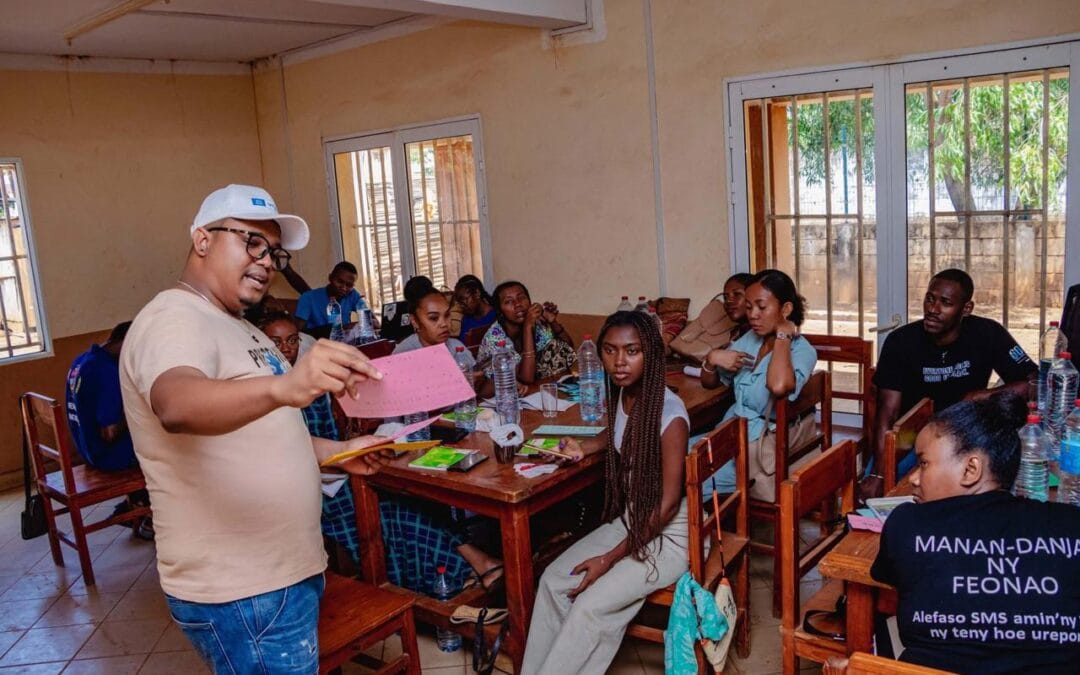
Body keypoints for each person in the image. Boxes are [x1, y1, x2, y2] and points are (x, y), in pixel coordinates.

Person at [120, 184, 393, 674]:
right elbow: (176, 404)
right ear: (202, 240)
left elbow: (266, 434)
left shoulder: (240, 326)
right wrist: (286, 386)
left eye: (273, 251)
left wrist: (341, 449)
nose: (266, 261)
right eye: (251, 242)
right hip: (243, 589)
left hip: (281, 575)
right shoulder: (173, 317)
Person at [258, 311, 503, 595]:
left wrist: (350, 446)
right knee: (398, 509)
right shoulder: (264, 394)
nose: (286, 349)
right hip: (313, 492)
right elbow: (279, 456)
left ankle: (462, 569)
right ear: (260, 345)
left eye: (291, 340)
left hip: (339, 472)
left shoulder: (314, 387)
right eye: (276, 342)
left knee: (414, 496)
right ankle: (458, 572)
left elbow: (331, 439)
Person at [521, 311, 689, 675]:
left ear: (652, 355)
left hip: (670, 534)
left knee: (588, 604)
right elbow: (620, 436)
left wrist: (609, 558)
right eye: (610, 351)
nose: (619, 362)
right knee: (553, 580)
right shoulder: (626, 394)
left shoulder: (670, 416)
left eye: (632, 351)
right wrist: (586, 447)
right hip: (635, 519)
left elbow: (669, 503)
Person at [870, 392, 1080, 674]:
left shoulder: (907, 523)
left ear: (971, 469)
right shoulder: (1070, 525)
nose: (914, 479)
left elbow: (889, 582)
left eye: (923, 463)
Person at [860, 268, 1037, 499]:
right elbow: (888, 414)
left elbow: (1035, 379)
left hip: (966, 435)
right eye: (930, 299)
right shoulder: (901, 341)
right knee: (875, 499)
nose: (933, 309)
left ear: (966, 309)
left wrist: (981, 396)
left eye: (945, 303)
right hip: (911, 437)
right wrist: (878, 475)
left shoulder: (987, 333)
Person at [699, 269, 818, 502]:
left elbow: (779, 386)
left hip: (757, 448)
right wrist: (712, 358)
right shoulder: (751, 340)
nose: (752, 314)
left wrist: (783, 337)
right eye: (750, 306)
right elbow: (709, 383)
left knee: (685, 474)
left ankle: (702, 528)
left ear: (785, 309)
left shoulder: (802, 350)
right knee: (673, 453)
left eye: (761, 307)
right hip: (732, 434)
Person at [65, 321, 152, 538]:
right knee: (171, 447)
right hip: (108, 456)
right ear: (125, 343)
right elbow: (110, 432)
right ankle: (150, 517)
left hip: (86, 450)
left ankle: (136, 505)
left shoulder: (82, 361)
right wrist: (136, 407)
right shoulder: (107, 372)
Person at [477, 281, 576, 383]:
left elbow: (567, 349)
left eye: (521, 298)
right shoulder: (495, 338)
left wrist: (552, 322)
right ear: (500, 311)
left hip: (537, 388)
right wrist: (527, 327)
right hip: (503, 393)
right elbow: (526, 378)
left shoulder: (537, 323)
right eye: (509, 301)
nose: (518, 304)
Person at [294, 261, 370, 333]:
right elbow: (299, 332)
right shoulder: (308, 297)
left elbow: (370, 319)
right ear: (330, 278)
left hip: (344, 342)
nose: (344, 288)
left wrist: (370, 321)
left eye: (349, 285)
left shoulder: (352, 294)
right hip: (317, 342)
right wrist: (347, 327)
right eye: (340, 282)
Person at [453, 274, 496, 341]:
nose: (462, 305)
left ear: (477, 293)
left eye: (464, 299)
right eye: (459, 302)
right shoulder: (466, 319)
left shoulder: (496, 316)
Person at [721, 272, 755, 346]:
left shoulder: (766, 335)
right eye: (725, 297)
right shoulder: (735, 334)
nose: (728, 301)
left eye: (737, 294)